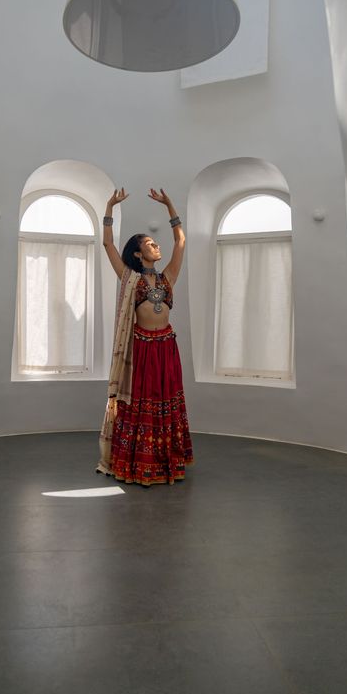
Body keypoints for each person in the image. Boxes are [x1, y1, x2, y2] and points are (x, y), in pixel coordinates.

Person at [96, 186, 193, 486]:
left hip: (166, 348)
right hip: (140, 349)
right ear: (138, 253)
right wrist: (110, 208)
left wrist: (170, 205)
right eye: (150, 244)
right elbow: (108, 243)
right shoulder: (129, 277)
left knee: (165, 403)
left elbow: (181, 241)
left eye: (155, 243)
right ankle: (137, 463)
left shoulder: (167, 278)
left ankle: (165, 462)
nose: (156, 246)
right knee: (139, 405)